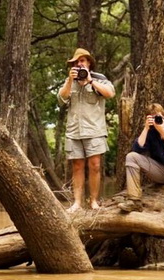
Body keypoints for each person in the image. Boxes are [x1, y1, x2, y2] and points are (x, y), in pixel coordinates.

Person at [58, 48, 115, 211]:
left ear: (89, 63)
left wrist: (91, 81)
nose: (79, 64)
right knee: (77, 165)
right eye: (76, 62)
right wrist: (70, 81)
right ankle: (77, 203)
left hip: (95, 130)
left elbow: (110, 93)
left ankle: (94, 201)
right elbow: (61, 100)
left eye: (82, 61)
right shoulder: (70, 80)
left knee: (95, 165)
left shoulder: (99, 79)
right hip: (74, 130)